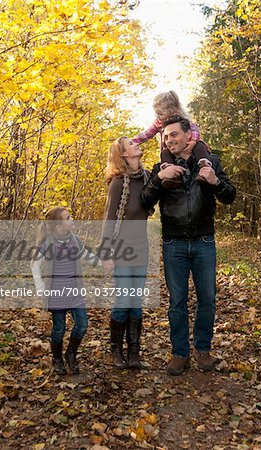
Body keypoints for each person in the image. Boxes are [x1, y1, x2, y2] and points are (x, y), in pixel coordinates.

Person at [140, 116, 236, 375]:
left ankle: (202, 350)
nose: (169, 140)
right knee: (177, 302)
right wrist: (160, 178)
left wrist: (215, 181)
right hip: (174, 243)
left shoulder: (210, 161)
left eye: (174, 135)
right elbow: (144, 199)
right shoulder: (161, 165)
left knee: (207, 299)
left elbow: (230, 195)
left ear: (188, 136)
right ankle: (180, 353)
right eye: (166, 136)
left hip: (204, 241)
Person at [31, 206, 101, 375]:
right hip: (56, 294)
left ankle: (71, 353)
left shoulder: (74, 240)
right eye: (68, 217)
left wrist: (103, 263)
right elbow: (35, 264)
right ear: (58, 225)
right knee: (59, 328)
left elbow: (87, 255)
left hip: (75, 292)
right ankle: (57, 358)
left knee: (82, 325)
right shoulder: (48, 244)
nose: (72, 219)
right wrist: (40, 287)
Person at [100, 137, 150, 369]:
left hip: (141, 249)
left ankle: (134, 353)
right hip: (120, 251)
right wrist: (106, 254)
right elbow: (109, 220)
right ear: (124, 154)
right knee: (123, 301)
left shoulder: (148, 178)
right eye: (131, 143)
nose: (136, 143)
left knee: (136, 303)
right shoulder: (118, 183)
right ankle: (116, 351)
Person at [132, 91, 212, 186]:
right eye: (156, 114)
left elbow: (195, 130)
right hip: (171, 151)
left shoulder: (183, 120)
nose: (158, 116)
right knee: (164, 153)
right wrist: (132, 142)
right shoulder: (158, 123)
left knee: (200, 145)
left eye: (160, 114)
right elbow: (146, 135)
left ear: (171, 110)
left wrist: (194, 141)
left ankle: (204, 168)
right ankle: (171, 175)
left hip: (189, 147)